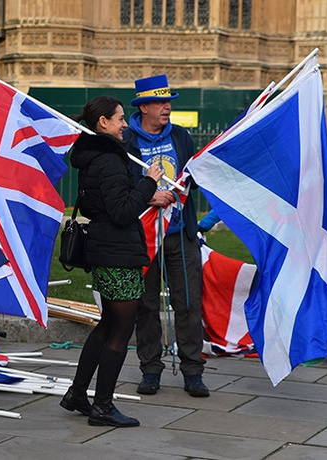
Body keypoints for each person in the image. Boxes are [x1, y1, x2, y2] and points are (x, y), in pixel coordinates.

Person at [59, 95, 164, 427]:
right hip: (117, 253)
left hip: (106, 250)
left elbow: (103, 204)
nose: (124, 124)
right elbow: (121, 212)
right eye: (119, 119)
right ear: (102, 123)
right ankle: (103, 405)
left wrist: (142, 189)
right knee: (121, 328)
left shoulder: (95, 157)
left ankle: (78, 393)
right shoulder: (109, 161)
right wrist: (149, 182)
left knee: (106, 325)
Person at [123, 74, 210, 397]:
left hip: (179, 232)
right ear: (143, 106)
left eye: (169, 101)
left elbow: (192, 180)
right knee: (145, 305)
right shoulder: (127, 141)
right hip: (143, 235)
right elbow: (120, 186)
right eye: (160, 102)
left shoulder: (182, 137)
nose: (167, 107)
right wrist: (149, 197)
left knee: (187, 302)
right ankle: (150, 369)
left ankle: (192, 370)